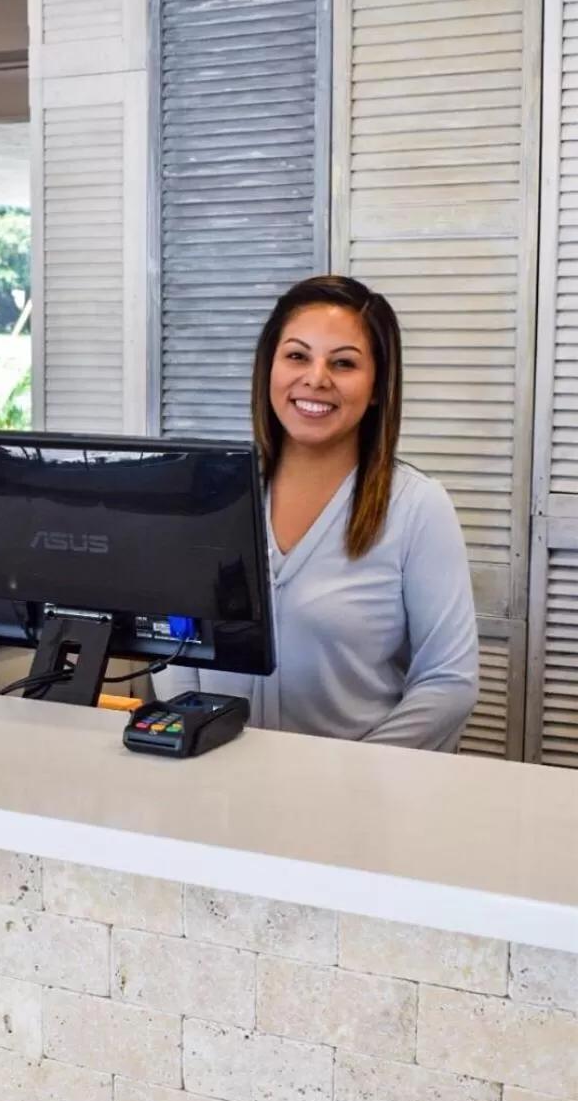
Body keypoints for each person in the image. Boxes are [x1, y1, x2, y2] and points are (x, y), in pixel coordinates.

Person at [159, 275, 478, 751]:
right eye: (297, 356)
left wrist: (351, 774)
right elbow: (177, 644)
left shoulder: (417, 507)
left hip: (356, 801)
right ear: (269, 368)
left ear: (375, 388)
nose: (316, 378)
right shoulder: (211, 494)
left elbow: (449, 683)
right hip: (218, 784)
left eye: (344, 363)